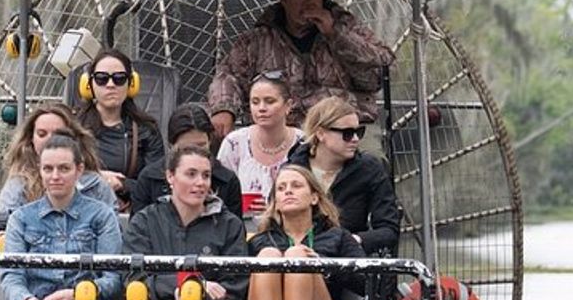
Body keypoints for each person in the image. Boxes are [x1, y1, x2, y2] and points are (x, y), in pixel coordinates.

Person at [206, 0, 395, 139]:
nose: (308, 1)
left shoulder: (347, 28)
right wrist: (224, 108)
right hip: (280, 133)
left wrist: (336, 35)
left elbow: (378, 72)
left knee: (373, 161)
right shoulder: (258, 41)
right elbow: (227, 75)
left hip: (342, 130)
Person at [0, 134, 123, 300]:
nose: (55, 176)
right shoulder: (21, 219)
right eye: (48, 169)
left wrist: (77, 295)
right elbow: (11, 277)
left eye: (64, 168)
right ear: (40, 170)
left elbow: (112, 278)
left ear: (79, 170)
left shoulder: (102, 215)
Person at [121, 145, 249, 300]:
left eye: (206, 176)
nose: (200, 182)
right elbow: (134, 279)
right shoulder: (146, 221)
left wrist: (195, 296)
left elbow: (234, 289)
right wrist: (188, 286)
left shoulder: (230, 225)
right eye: (191, 174)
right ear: (170, 176)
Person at [244, 164, 367, 300]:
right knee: (268, 255)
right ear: (275, 203)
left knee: (297, 255)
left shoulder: (337, 237)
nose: (288, 191)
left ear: (314, 198)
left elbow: (370, 283)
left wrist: (326, 268)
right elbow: (238, 291)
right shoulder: (259, 241)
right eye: (281, 188)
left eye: (296, 186)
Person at [287, 96, 402, 254]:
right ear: (321, 134)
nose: (355, 139)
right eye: (347, 133)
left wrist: (355, 240)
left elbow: (389, 230)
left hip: (347, 259)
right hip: (299, 253)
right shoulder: (293, 169)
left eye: (358, 132)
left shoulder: (369, 169)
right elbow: (274, 218)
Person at [0, 102, 110, 231]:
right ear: (31, 139)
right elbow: (4, 236)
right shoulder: (17, 187)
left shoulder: (96, 186)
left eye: (58, 134)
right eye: (42, 134)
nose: (49, 139)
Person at [76, 48, 164, 208]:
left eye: (119, 79)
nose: (110, 85)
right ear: (89, 84)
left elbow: (157, 186)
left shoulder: (146, 130)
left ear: (131, 84)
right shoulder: (72, 127)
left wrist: (122, 184)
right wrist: (96, 178)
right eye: (102, 78)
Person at [129, 102, 242, 214]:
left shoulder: (227, 182)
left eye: (201, 146)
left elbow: (234, 229)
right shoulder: (149, 179)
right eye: (186, 148)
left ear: (210, 141)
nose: (194, 153)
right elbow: (138, 228)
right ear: (171, 146)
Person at [216, 72, 300, 217]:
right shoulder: (233, 143)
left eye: (270, 101)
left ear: (288, 105)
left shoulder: (303, 143)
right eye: (255, 102)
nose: (261, 108)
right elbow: (220, 194)